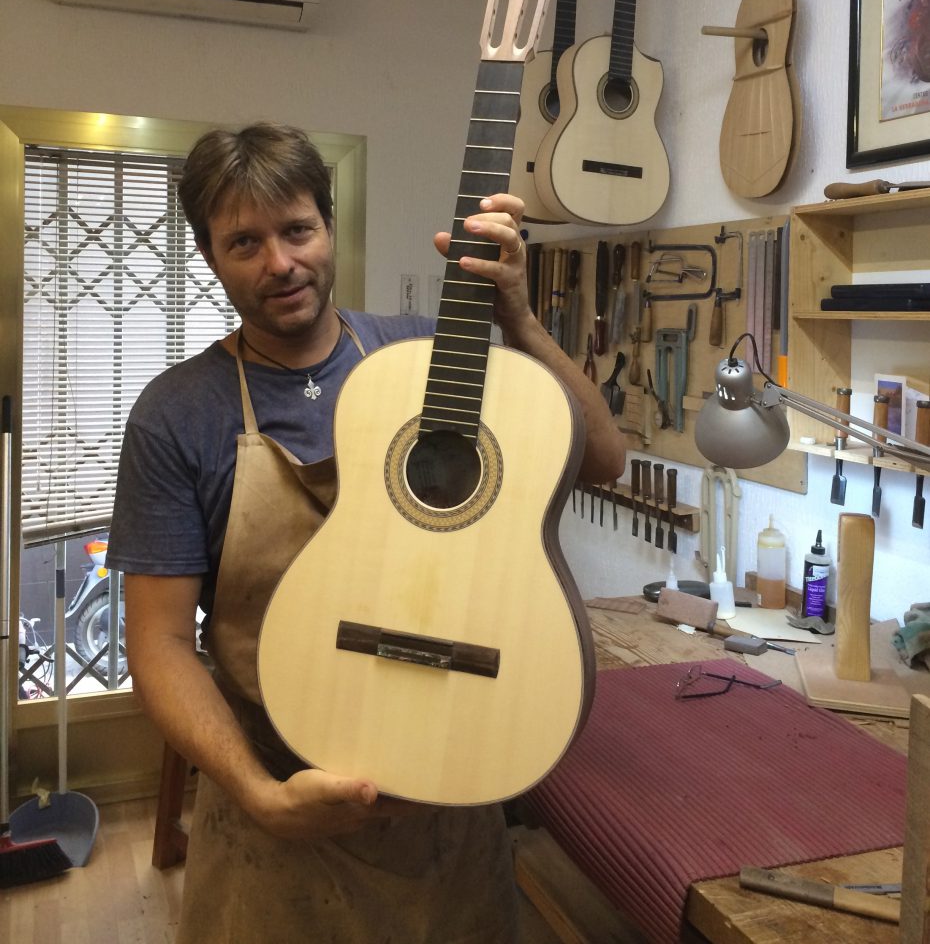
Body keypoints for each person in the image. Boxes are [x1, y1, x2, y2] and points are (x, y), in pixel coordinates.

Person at [107, 121, 626, 943]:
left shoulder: (424, 354)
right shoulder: (177, 415)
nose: (280, 263)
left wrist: (521, 321)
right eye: (244, 242)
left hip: (455, 804)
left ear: (329, 225)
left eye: (297, 230)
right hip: (275, 815)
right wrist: (259, 794)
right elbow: (160, 642)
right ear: (209, 256)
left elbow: (602, 460)